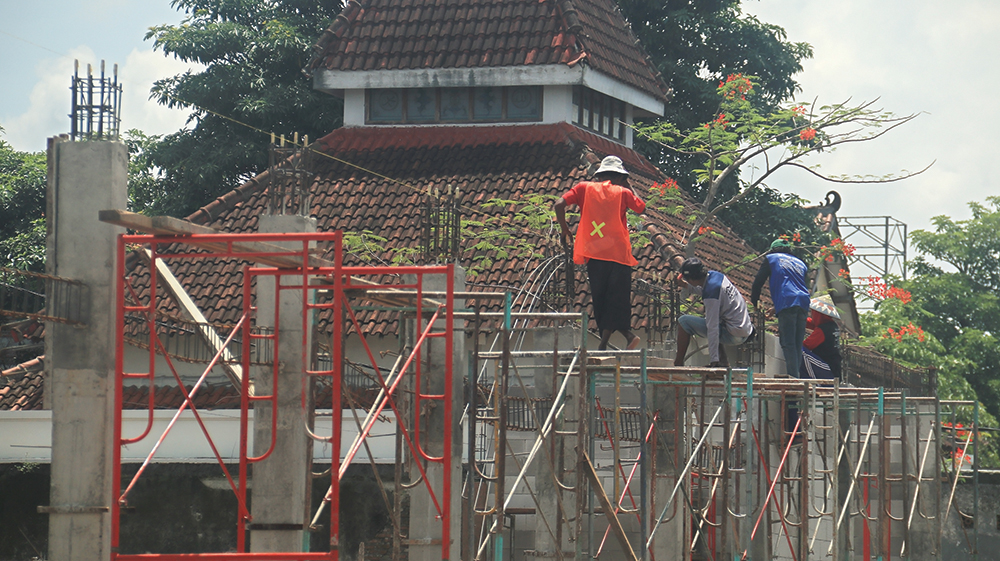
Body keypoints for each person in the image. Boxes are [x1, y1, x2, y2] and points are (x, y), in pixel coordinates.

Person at [554, 155, 645, 350]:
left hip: (594, 255)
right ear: (620, 177)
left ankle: (605, 343)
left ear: (599, 175)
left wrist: (565, 229)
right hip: (619, 255)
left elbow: (558, 204)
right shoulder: (623, 192)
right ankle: (625, 336)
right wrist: (627, 184)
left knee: (600, 298)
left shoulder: (583, 188)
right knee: (617, 298)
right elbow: (640, 207)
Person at [673, 257, 754, 367]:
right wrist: (685, 285)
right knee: (717, 320)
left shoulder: (711, 296)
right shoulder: (716, 276)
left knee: (684, 322)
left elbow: (712, 328)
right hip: (744, 329)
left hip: (734, 335)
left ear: (691, 279)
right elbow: (705, 290)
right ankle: (724, 361)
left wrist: (713, 361)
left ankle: (678, 363)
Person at [751, 238, 810, 377]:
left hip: (787, 301)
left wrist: (755, 302)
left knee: (788, 343)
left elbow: (758, 282)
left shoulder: (771, 258)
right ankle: (797, 377)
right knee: (797, 344)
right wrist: (777, 308)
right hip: (803, 302)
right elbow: (796, 287)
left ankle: (794, 379)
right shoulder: (801, 264)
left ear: (773, 250)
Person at [801, 295, 841, 379]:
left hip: (826, 367)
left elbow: (806, 345)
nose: (812, 315)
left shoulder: (822, 330)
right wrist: (799, 319)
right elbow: (811, 323)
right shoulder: (832, 325)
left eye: (813, 312)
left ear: (818, 314)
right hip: (834, 370)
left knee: (799, 350)